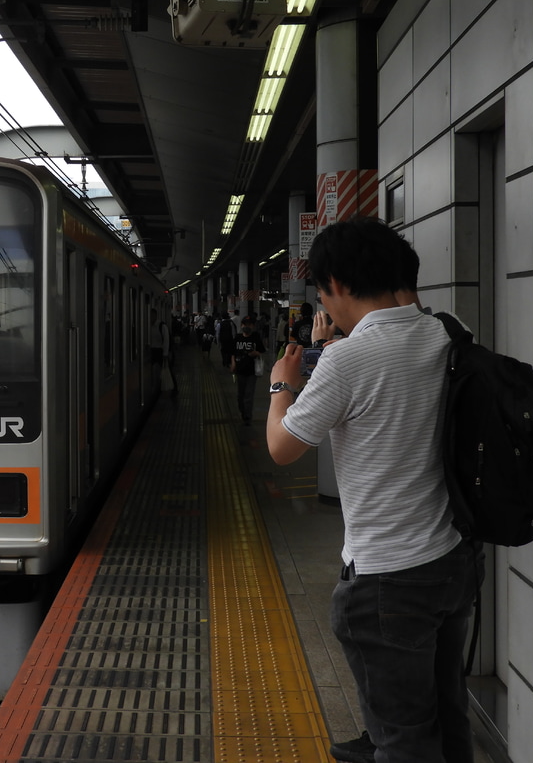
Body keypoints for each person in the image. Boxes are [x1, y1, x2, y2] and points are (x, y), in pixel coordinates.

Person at [265, 218, 483, 763]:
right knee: (446, 713)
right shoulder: (447, 330)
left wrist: (281, 387)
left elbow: (282, 448)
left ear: (336, 284)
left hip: (387, 581)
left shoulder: (345, 360)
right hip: (452, 559)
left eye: (321, 292)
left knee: (403, 741)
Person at [228, 317, 266, 426]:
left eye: (249, 325)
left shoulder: (256, 337)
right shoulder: (238, 338)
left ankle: (247, 417)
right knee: (240, 396)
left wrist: (256, 353)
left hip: (252, 371)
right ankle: (243, 412)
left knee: (248, 395)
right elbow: (233, 352)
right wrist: (233, 363)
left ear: (253, 326)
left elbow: (262, 352)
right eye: (245, 324)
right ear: (241, 325)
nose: (247, 327)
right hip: (240, 370)